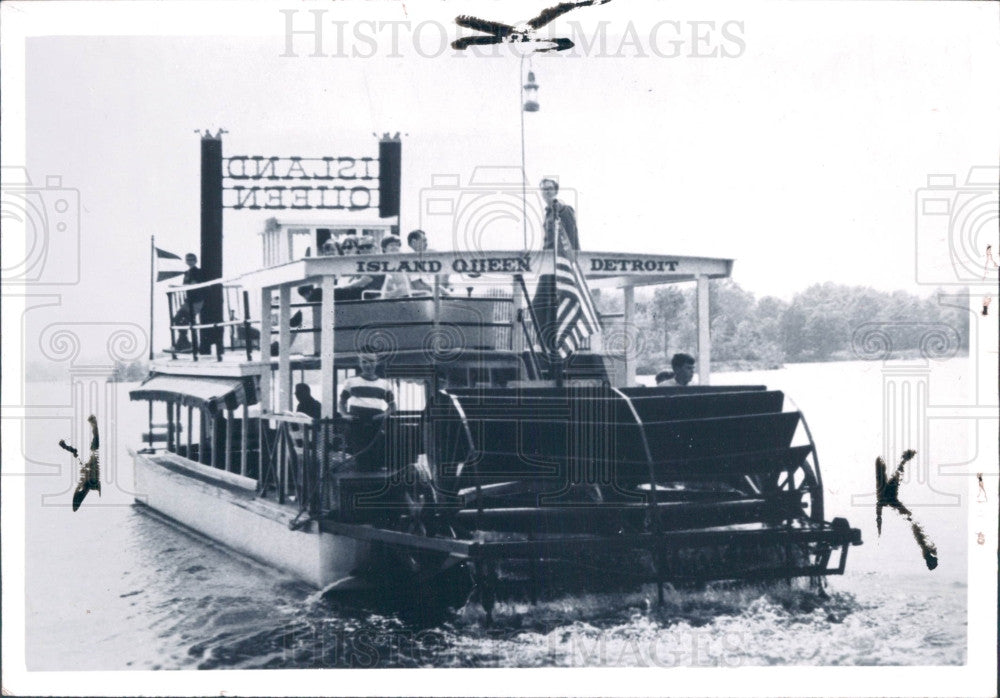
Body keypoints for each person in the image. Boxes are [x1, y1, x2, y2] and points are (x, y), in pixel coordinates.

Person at [532, 179, 579, 356]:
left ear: (556, 190)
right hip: (547, 263)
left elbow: (573, 236)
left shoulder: (563, 210)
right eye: (543, 189)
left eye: (550, 189)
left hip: (559, 263)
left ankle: (552, 344)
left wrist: (573, 263)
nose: (546, 192)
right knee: (540, 304)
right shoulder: (548, 212)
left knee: (547, 304)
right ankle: (546, 343)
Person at [338, 354, 395, 470]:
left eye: (371, 362)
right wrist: (345, 415)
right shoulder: (351, 382)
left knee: (375, 454)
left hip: (375, 422)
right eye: (364, 362)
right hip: (356, 422)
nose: (368, 365)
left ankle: (373, 483)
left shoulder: (385, 384)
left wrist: (383, 414)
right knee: (359, 455)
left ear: (376, 363)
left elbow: (392, 406)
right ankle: (358, 484)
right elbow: (341, 402)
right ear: (359, 363)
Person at [172, 253, 207, 350]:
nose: (190, 261)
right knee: (177, 318)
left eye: (192, 259)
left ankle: (182, 343)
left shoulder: (198, 271)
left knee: (185, 319)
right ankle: (184, 342)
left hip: (196, 300)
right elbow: (186, 285)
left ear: (196, 261)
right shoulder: (187, 273)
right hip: (189, 301)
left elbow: (194, 284)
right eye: (188, 259)